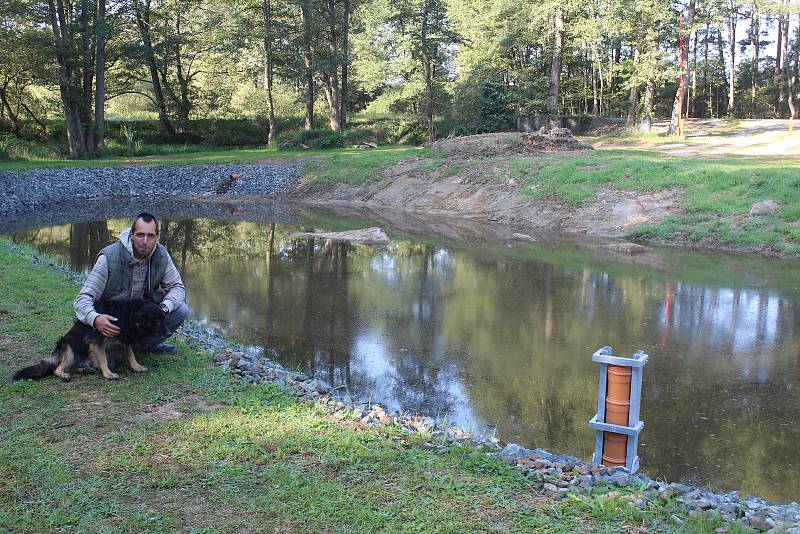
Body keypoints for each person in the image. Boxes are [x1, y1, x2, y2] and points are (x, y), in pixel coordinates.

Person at [74, 212, 189, 354]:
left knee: (181, 310)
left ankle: (143, 346)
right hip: (114, 323)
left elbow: (177, 287)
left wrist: (164, 309)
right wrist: (95, 318)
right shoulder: (109, 258)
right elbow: (83, 299)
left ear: (157, 237)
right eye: (140, 235)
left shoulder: (161, 255)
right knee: (109, 363)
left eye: (150, 236)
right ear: (132, 235)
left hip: (139, 320)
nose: (145, 241)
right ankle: (113, 349)